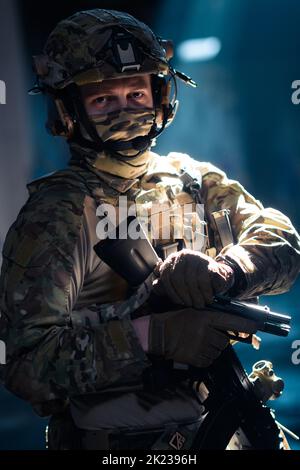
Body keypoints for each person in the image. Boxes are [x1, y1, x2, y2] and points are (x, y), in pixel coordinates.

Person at [0, 9, 299, 450]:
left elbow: (282, 240)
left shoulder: (192, 180)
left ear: (160, 96)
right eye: (103, 99)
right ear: (68, 109)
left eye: (136, 93)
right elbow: (23, 364)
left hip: (218, 425)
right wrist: (150, 338)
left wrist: (228, 271)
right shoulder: (57, 214)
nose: (125, 109)